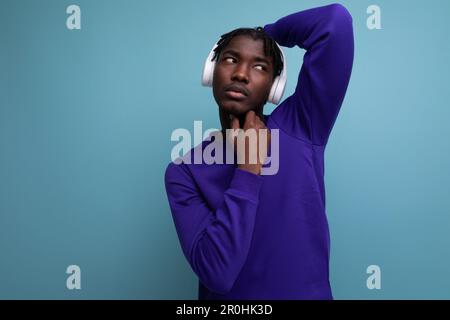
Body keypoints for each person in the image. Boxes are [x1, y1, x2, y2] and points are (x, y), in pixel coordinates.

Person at [164, 3, 354, 300]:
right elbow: (218, 273)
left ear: (274, 87)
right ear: (211, 72)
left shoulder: (301, 126)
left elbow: (335, 22)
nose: (241, 74)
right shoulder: (184, 172)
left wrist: (267, 33)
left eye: (260, 66)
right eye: (230, 59)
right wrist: (247, 169)